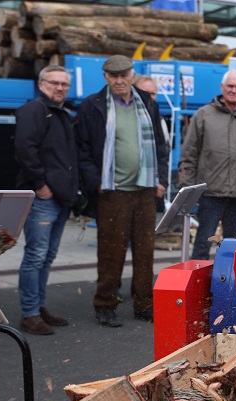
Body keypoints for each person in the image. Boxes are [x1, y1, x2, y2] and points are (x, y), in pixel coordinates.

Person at [76, 55, 169, 327]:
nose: (119, 80)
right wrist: (97, 182)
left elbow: (160, 146)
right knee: (110, 252)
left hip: (145, 189)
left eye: (123, 74)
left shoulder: (147, 102)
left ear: (131, 74)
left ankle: (143, 304)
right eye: (113, 76)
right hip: (112, 191)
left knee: (145, 251)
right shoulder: (92, 105)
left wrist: (160, 179)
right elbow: (82, 150)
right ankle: (104, 303)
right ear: (105, 77)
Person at [14, 66, 78, 335]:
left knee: (47, 256)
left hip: (60, 198)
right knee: (36, 255)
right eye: (54, 83)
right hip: (44, 197)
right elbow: (24, 148)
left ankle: (39, 308)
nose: (60, 88)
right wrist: (40, 185)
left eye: (64, 84)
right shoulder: (33, 110)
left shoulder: (63, 114)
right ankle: (29, 314)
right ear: (41, 85)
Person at [179, 70, 236, 260]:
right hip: (210, 194)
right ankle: (198, 287)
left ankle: (228, 286)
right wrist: (189, 192)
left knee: (232, 248)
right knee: (203, 243)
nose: (233, 90)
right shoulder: (203, 115)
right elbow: (189, 155)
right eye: (230, 86)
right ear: (222, 88)